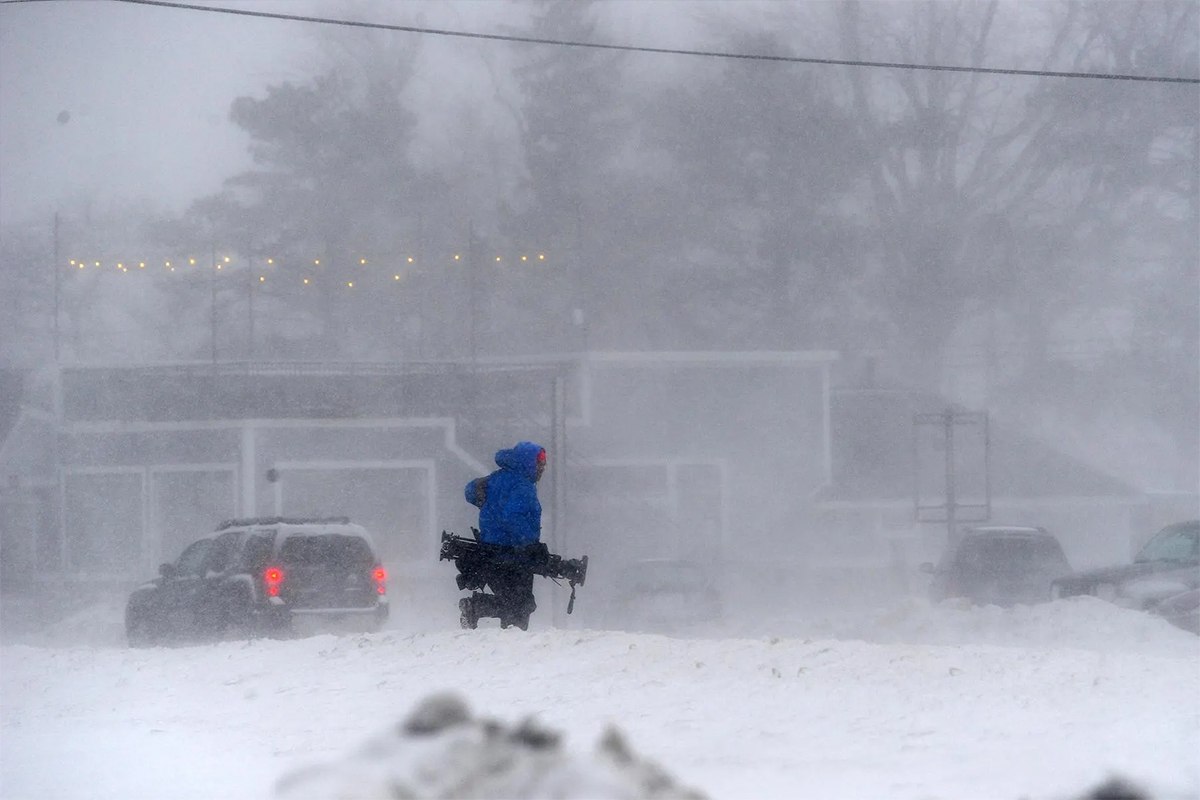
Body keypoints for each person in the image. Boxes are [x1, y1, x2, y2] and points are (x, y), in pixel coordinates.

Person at [459, 441, 547, 630]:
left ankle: (478, 608)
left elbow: (471, 491)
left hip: (489, 552)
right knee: (520, 605)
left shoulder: (497, 478)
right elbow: (512, 516)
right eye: (539, 464)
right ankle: (477, 608)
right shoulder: (523, 485)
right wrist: (530, 544)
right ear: (527, 463)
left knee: (512, 602)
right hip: (513, 554)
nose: (542, 469)